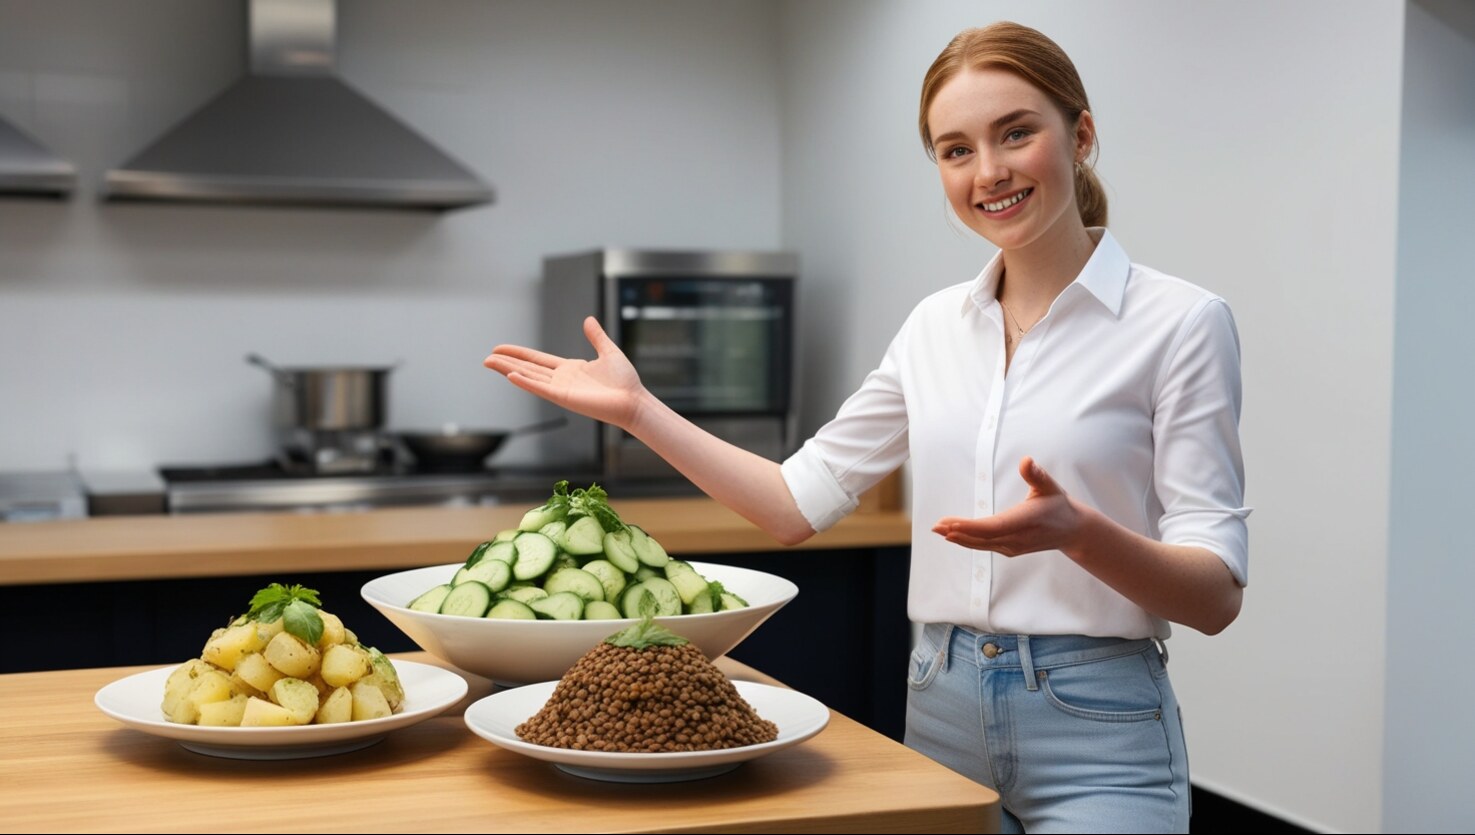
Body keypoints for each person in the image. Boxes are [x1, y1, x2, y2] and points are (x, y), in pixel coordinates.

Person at [484, 21, 1247, 834]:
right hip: (938, 707)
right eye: (955, 151)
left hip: (1100, 724)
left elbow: (1214, 596)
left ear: (1080, 134)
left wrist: (1079, 532)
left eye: (1015, 133)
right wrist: (638, 410)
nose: (987, 171)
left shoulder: (1182, 323)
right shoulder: (932, 328)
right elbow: (791, 503)